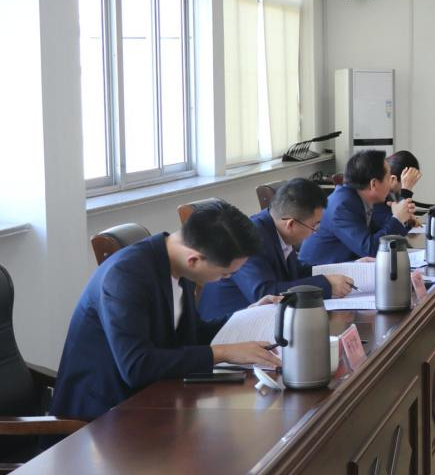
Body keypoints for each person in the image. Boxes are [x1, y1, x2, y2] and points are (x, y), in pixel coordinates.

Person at [51, 201, 281, 421]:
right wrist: (222, 353)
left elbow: (191, 334)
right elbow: (137, 366)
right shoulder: (125, 277)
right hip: (103, 414)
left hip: (155, 397)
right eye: (225, 274)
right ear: (194, 260)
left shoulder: (177, 263)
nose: (225, 279)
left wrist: (247, 316)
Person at [199, 179, 356, 319]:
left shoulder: (275, 228)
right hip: (227, 325)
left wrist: (346, 269)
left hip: (263, 318)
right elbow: (264, 293)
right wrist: (326, 284)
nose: (314, 232)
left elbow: (296, 272)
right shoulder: (250, 238)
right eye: (314, 226)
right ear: (291, 224)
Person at [300, 149, 414, 265]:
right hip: (318, 272)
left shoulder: (356, 198)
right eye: (388, 177)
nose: (391, 182)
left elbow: (379, 232)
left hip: (344, 265)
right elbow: (371, 249)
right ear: (373, 184)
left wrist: (403, 219)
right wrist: (397, 218)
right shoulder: (343, 206)